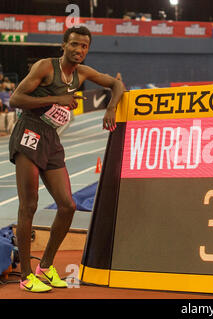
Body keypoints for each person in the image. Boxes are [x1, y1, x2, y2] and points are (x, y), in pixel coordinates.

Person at [8, 26, 124, 293]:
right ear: (63, 45)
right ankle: (27, 276)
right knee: (29, 205)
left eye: (84, 46)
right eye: (74, 45)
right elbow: (16, 99)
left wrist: (111, 107)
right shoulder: (45, 68)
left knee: (68, 205)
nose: (79, 50)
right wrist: (59, 98)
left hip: (51, 140)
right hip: (29, 133)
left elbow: (116, 84)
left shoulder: (83, 73)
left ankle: (45, 267)